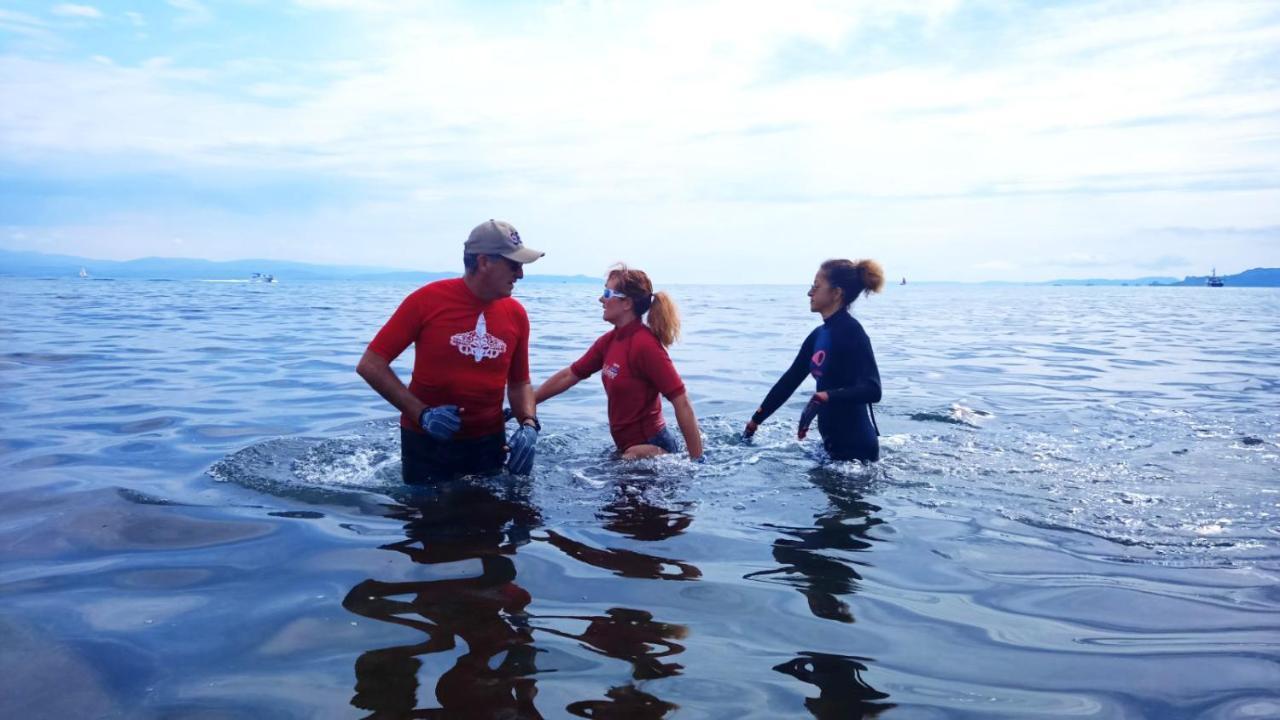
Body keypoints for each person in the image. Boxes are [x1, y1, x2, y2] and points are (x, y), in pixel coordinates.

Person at [356, 219, 544, 484]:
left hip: (489, 442)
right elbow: (371, 364)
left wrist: (528, 424)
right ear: (483, 262)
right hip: (426, 441)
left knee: (492, 520)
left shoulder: (516, 315)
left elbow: (519, 383)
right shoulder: (426, 301)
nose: (521, 274)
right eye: (513, 264)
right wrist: (422, 414)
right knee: (429, 521)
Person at [535, 264, 703, 461]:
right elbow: (570, 374)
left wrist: (697, 461)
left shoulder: (645, 346)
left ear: (627, 303)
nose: (601, 299)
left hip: (651, 447)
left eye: (607, 292)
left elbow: (681, 401)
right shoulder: (609, 341)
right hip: (627, 448)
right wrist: (530, 402)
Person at [744, 259, 884, 461]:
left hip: (857, 452)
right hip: (830, 447)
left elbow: (873, 389)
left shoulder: (852, 332)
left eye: (816, 287)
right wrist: (756, 420)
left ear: (836, 293)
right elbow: (789, 381)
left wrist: (824, 396)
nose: (810, 293)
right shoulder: (818, 335)